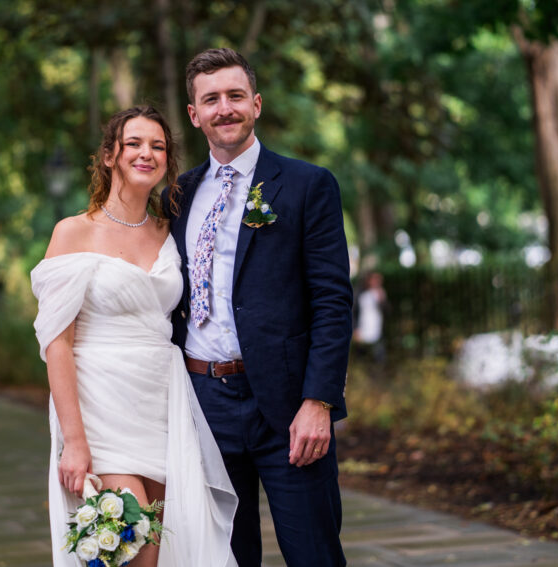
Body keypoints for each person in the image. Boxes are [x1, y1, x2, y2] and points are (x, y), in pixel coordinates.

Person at [164, 48, 353, 566]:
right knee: (224, 556)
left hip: (289, 407)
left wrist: (320, 401)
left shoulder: (308, 185)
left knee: (313, 552)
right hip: (202, 404)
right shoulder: (177, 196)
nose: (224, 108)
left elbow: (333, 301)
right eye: (211, 99)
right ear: (193, 114)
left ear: (257, 104)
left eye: (235, 96)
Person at [31, 106, 238, 567]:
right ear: (109, 156)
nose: (148, 153)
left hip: (163, 405)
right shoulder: (73, 233)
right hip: (100, 407)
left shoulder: (170, 230)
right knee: (134, 549)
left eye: (159, 146)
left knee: (165, 549)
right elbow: (56, 344)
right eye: (135, 144)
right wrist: (75, 441)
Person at [353, 271, 388, 365]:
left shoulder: (381, 293)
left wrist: (382, 300)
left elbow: (387, 311)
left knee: (378, 357)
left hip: (377, 330)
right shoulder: (359, 293)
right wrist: (355, 328)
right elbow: (354, 311)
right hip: (362, 330)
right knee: (361, 357)